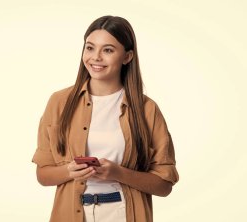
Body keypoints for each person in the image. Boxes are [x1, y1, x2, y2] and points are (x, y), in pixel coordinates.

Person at [32, 15, 179, 222]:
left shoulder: (147, 109)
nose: (96, 57)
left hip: (123, 213)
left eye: (108, 50)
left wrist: (118, 173)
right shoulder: (59, 102)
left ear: (127, 57)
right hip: (71, 213)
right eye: (90, 48)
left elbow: (164, 186)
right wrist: (70, 171)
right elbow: (43, 175)